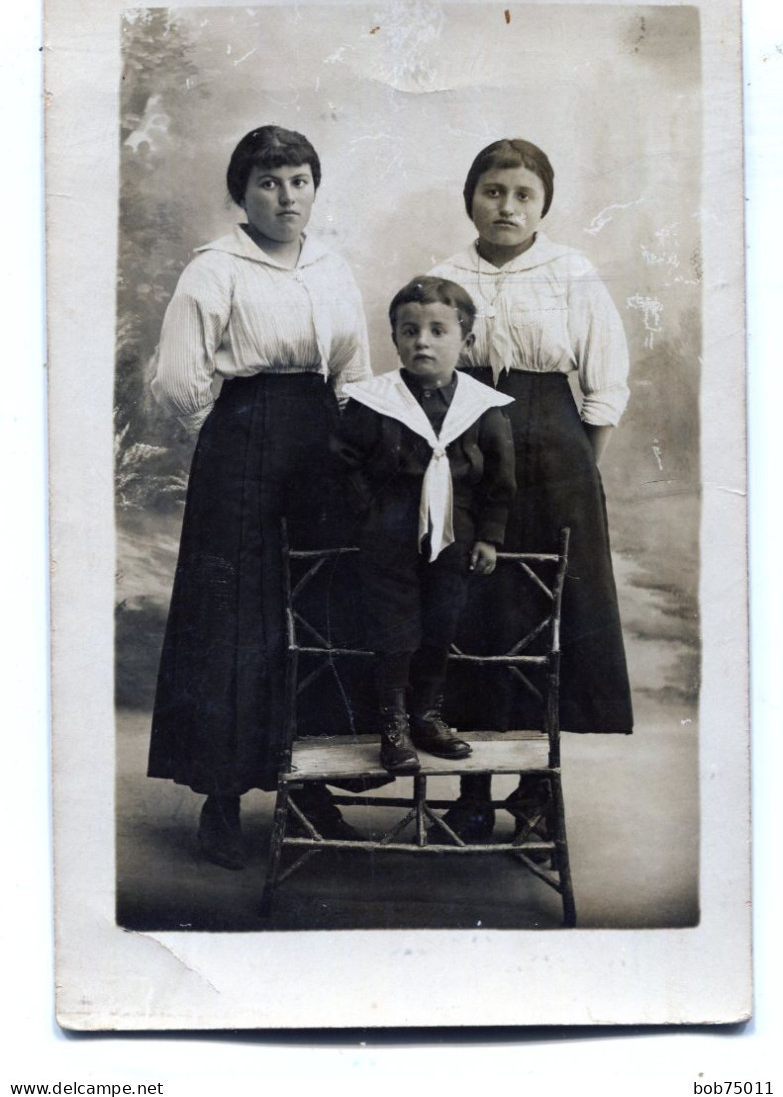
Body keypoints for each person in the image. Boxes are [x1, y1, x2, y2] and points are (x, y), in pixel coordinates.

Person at [147, 125, 372, 869]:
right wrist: (230, 433)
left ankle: (310, 789)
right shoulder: (215, 269)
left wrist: (346, 444)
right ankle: (222, 797)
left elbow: (353, 370)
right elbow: (179, 380)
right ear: (241, 194)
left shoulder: (332, 268)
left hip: (321, 445)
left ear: (314, 188)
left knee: (316, 605)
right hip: (242, 443)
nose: (287, 196)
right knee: (238, 611)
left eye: (299, 180)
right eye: (270, 182)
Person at [429, 138, 634, 841]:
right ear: (470, 198)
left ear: (543, 203)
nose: (506, 206)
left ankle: (535, 788)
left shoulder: (572, 273)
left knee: (543, 621)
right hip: (466, 458)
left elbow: (604, 388)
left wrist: (574, 472)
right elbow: (423, 369)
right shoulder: (443, 275)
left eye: (521, 194)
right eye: (492, 191)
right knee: (470, 616)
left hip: (555, 460)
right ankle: (471, 791)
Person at [332, 276, 516, 773]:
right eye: (409, 331)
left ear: (466, 340)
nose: (423, 342)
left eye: (438, 331)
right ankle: (392, 722)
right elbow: (344, 464)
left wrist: (490, 538)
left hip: (454, 537)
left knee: (441, 624)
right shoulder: (375, 402)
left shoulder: (481, 407)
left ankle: (427, 714)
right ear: (394, 339)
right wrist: (369, 516)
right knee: (396, 631)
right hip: (389, 535)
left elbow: (499, 481)